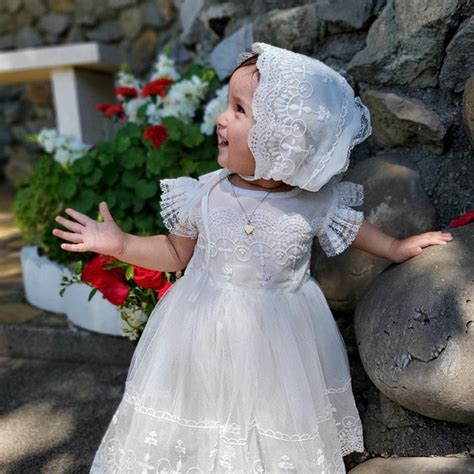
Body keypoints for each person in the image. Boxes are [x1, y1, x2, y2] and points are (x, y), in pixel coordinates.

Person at [52, 42, 453, 473]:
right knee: (199, 416)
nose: (221, 119)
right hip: (200, 328)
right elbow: (173, 253)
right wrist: (120, 244)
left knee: (269, 420)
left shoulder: (313, 202)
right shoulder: (204, 192)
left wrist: (396, 247)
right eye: (228, 106)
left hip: (280, 338)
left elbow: (354, 229)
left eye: (240, 111)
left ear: (282, 137)